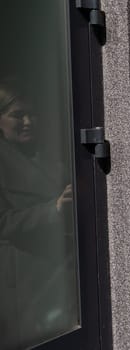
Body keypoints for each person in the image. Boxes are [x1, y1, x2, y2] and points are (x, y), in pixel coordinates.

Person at [0, 80, 75, 348]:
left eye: (33, 114)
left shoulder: (50, 155)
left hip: (59, 274)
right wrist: (53, 209)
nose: (28, 121)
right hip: (24, 281)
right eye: (18, 115)